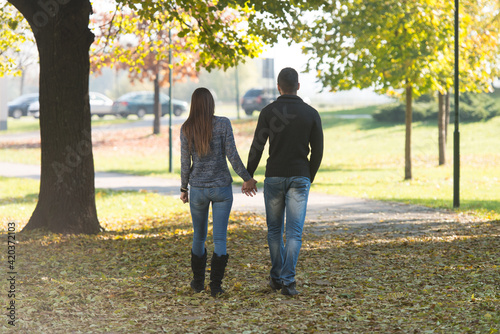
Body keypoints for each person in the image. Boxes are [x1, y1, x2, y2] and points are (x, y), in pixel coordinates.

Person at [243, 67, 324, 296]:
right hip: (300, 176)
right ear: (298, 86)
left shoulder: (268, 112)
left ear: (278, 86)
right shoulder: (311, 113)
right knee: (295, 233)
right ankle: (288, 281)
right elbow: (318, 151)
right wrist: (309, 176)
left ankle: (277, 277)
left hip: (274, 177)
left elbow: (257, 146)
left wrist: (249, 176)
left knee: (274, 230)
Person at [180, 87, 256, 297]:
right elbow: (232, 155)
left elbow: (185, 162)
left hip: (198, 189)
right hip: (222, 188)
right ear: (211, 103)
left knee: (199, 236)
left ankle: (197, 282)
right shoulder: (223, 123)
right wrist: (247, 178)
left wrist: (184, 187)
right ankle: (215, 286)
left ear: (194, 104)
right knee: (220, 238)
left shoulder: (187, 128)